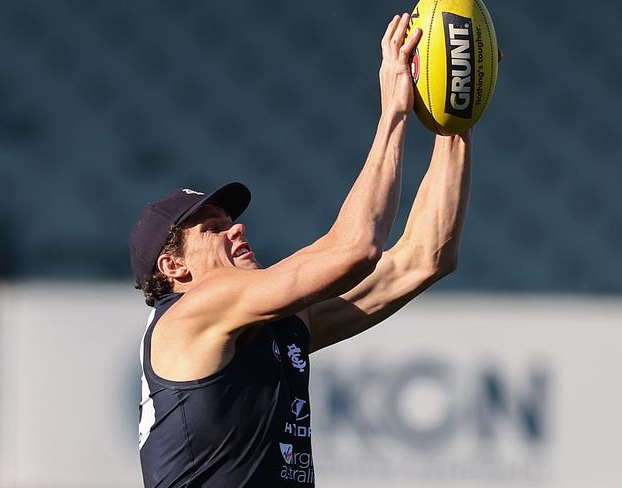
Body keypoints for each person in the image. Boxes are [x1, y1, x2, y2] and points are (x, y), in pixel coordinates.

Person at [129, 13, 471, 488]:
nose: (236, 229)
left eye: (231, 220)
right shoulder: (190, 316)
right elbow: (355, 248)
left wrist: (455, 119)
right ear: (173, 267)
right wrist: (394, 109)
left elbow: (424, 258)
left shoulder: (271, 327)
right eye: (212, 228)